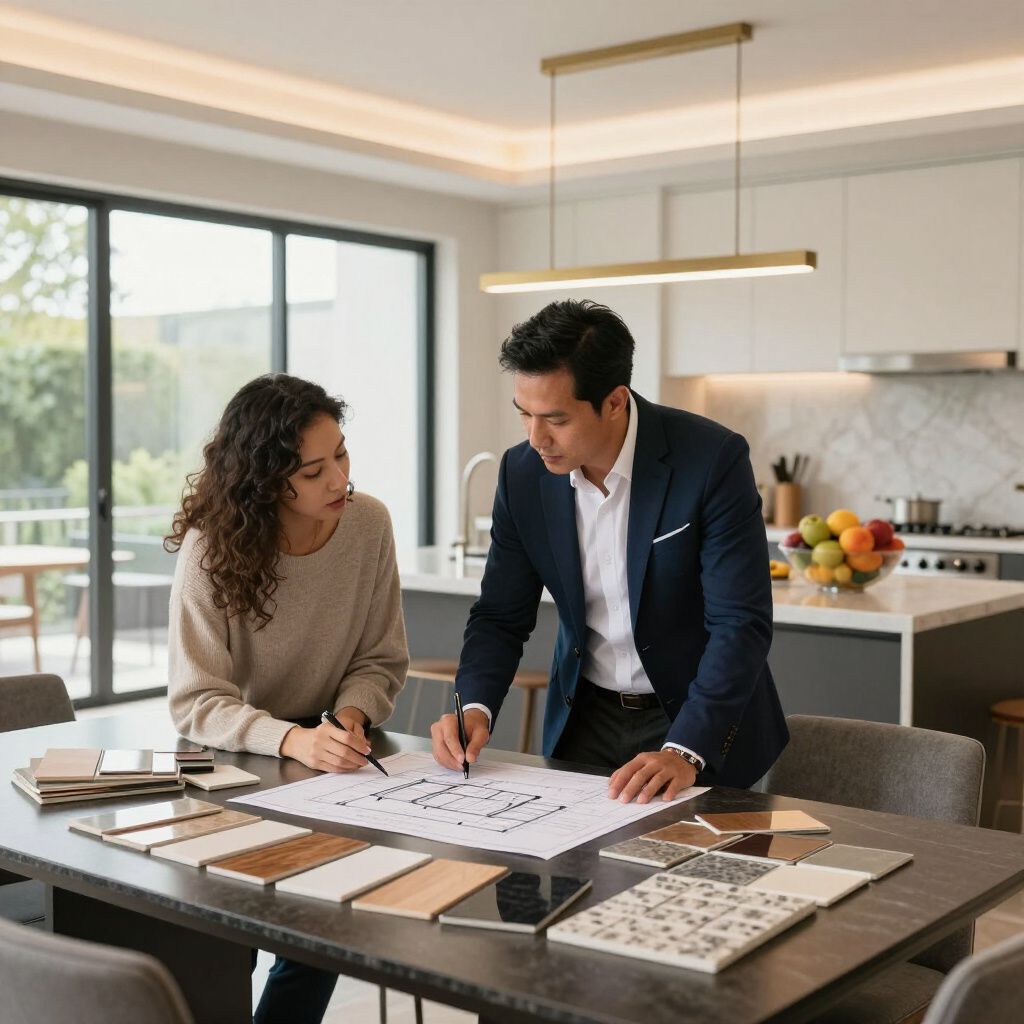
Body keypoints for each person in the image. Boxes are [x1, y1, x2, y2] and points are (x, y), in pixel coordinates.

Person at [431, 299, 787, 802]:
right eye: (524, 414)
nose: (536, 438)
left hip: (693, 722)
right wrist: (474, 706)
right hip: (583, 720)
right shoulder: (522, 474)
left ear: (615, 401)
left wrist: (685, 750)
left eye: (555, 419)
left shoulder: (711, 460)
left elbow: (739, 624)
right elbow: (500, 615)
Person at [166, 372, 408, 1024]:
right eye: (312, 471)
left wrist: (351, 715)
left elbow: (379, 657)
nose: (339, 480)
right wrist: (293, 739)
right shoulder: (210, 549)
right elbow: (196, 700)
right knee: (228, 942)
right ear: (266, 480)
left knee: (320, 931)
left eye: (342, 455)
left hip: (330, 756)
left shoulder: (369, 524)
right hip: (227, 758)